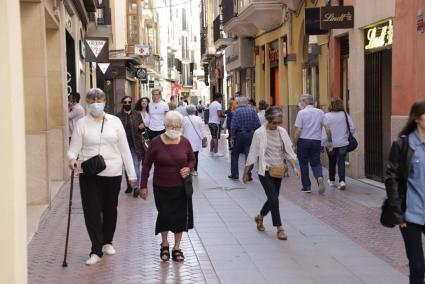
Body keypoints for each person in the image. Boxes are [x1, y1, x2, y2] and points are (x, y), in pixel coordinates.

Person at [68, 88, 136, 265]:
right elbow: (73, 149)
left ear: (105, 102)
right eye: (92, 101)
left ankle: (107, 242)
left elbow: (124, 149)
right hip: (89, 173)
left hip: (113, 172)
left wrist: (131, 174)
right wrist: (71, 159)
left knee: (110, 210)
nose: (96, 104)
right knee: (91, 211)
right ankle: (95, 250)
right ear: (87, 104)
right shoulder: (81, 124)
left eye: (99, 101)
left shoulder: (115, 122)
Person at [139, 111, 195, 262]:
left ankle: (177, 247)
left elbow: (192, 159)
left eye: (177, 126)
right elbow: (146, 165)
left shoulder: (185, 142)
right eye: (170, 125)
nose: (173, 128)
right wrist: (143, 186)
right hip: (161, 186)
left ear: (181, 126)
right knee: (164, 215)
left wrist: (188, 168)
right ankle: (164, 244)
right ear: (164, 125)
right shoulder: (156, 142)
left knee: (180, 217)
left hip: (180, 187)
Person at [243, 107, 299, 240]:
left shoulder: (282, 132)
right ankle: (280, 228)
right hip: (265, 171)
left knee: (273, 198)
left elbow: (288, 151)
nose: (277, 125)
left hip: (278, 170)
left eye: (279, 123)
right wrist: (246, 172)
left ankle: (260, 217)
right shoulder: (259, 133)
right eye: (274, 123)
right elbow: (253, 153)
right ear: (268, 120)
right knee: (274, 199)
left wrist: (294, 167)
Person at [384, 100, 425, 284]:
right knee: (417, 266)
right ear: (417, 118)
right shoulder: (403, 145)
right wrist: (397, 212)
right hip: (411, 215)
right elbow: (391, 177)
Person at [294, 94, 332, 194]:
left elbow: (298, 130)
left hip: (303, 141)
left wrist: (294, 143)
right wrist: (330, 141)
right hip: (316, 141)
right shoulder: (320, 112)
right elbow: (328, 128)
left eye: (301, 101)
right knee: (316, 162)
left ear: (304, 102)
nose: (300, 103)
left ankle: (306, 187)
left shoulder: (301, 113)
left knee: (303, 163)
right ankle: (319, 177)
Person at [116, 96, 146, 197]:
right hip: (123, 146)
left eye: (129, 102)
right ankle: (130, 185)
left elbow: (142, 130)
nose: (127, 104)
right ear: (122, 103)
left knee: (136, 165)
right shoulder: (118, 116)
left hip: (135, 145)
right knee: (127, 167)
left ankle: (136, 187)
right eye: (125, 102)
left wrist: (142, 127)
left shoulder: (137, 114)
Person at [323, 97, 356, 190]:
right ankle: (342, 181)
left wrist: (324, 142)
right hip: (343, 143)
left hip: (331, 144)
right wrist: (346, 135)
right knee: (341, 161)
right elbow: (352, 127)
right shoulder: (345, 115)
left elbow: (324, 130)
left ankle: (332, 180)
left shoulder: (327, 116)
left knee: (332, 161)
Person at [228, 96, 261, 180]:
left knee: (235, 154)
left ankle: (235, 174)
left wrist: (232, 135)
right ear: (247, 103)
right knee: (249, 155)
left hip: (239, 135)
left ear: (239, 103)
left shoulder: (237, 112)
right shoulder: (253, 111)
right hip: (250, 135)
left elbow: (233, 125)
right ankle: (248, 174)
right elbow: (258, 125)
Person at [182, 104, 205, 176]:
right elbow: (202, 129)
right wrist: (204, 137)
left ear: (187, 111)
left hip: (186, 139)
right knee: (195, 155)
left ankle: (187, 169)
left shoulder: (184, 119)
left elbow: (181, 130)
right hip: (196, 140)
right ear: (195, 111)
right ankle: (195, 170)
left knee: (186, 156)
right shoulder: (198, 118)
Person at [208, 93, 224, 157]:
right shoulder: (218, 104)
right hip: (215, 123)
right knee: (216, 138)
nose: (222, 99)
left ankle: (211, 151)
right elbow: (219, 114)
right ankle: (216, 152)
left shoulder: (211, 104)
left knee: (213, 137)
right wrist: (225, 116)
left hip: (210, 122)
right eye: (222, 97)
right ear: (219, 97)